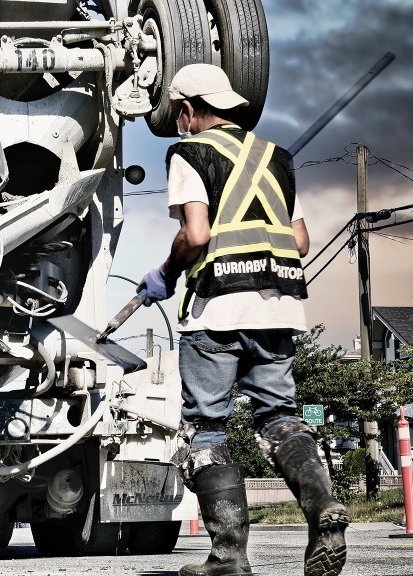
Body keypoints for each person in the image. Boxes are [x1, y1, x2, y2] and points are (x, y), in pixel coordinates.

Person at [137, 64, 347, 576]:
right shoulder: (277, 157)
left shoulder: (190, 153)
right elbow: (299, 242)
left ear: (188, 111)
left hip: (217, 311)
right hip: (277, 308)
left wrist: (165, 272)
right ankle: (323, 508)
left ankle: (229, 555)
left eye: (179, 114)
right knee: (279, 417)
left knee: (207, 428)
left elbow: (197, 235)